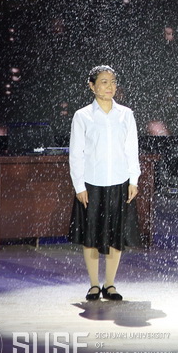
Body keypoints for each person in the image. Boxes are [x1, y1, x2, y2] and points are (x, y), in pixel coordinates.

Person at [68, 65, 141, 301]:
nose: (110, 86)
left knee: (115, 235)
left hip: (119, 182)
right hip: (92, 184)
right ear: (92, 86)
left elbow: (131, 149)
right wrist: (79, 186)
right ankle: (93, 284)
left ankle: (110, 284)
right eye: (104, 82)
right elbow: (76, 154)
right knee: (91, 235)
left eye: (113, 82)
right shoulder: (82, 116)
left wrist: (134, 180)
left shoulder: (125, 114)